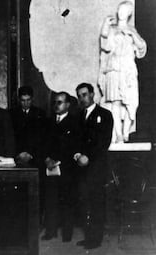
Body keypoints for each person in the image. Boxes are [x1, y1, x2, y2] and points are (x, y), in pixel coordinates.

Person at [98, 0, 146, 143]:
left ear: (129, 13)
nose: (121, 12)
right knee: (115, 103)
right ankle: (119, 134)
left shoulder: (132, 30)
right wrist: (105, 27)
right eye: (120, 9)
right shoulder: (112, 29)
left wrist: (131, 35)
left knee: (131, 102)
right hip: (114, 68)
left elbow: (142, 49)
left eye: (124, 10)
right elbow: (105, 46)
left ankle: (126, 131)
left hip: (128, 69)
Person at [74, 83, 113, 250]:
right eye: (79, 96)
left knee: (97, 203)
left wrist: (87, 157)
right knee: (84, 201)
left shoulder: (104, 115)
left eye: (85, 95)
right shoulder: (78, 116)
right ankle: (88, 236)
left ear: (92, 94)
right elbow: (74, 140)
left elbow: (103, 142)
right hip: (81, 168)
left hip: (96, 168)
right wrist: (77, 155)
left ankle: (96, 238)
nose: (82, 99)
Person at [42, 92, 80, 242]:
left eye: (60, 102)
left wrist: (58, 162)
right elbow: (42, 143)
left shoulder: (74, 123)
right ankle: (50, 232)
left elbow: (74, 146)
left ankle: (67, 233)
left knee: (67, 201)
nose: (56, 105)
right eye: (55, 102)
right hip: (49, 167)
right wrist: (46, 159)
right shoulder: (47, 122)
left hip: (67, 169)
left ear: (68, 105)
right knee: (50, 201)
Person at [10, 86, 46, 165]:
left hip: (35, 156)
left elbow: (42, 137)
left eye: (28, 100)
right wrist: (19, 154)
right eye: (23, 100)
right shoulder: (11, 114)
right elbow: (10, 137)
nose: (26, 103)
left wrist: (30, 154)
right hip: (17, 156)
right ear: (19, 100)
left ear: (32, 99)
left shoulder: (40, 113)